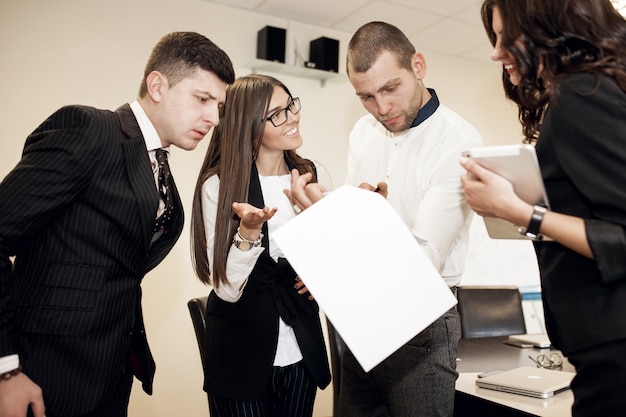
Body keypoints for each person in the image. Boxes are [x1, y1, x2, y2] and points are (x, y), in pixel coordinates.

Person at [0, 32, 234, 417]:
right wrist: (8, 370)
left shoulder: (159, 166)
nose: (213, 118)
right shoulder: (89, 129)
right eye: (203, 99)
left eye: (219, 105)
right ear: (157, 85)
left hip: (109, 373)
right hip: (44, 372)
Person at [289, 21, 483, 417]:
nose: (381, 108)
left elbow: (422, 261)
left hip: (422, 323)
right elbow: (349, 227)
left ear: (418, 66)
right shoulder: (364, 132)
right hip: (358, 316)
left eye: (390, 88)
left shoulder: (459, 142)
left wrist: (363, 229)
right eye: (366, 97)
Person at [460, 1, 626, 416]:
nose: (495, 52)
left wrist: (518, 211)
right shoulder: (601, 87)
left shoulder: (580, 94)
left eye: (505, 36)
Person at [190, 74, 332, 417]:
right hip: (239, 350)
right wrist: (248, 234)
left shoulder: (313, 176)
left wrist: (320, 277)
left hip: (301, 347)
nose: (292, 117)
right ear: (250, 126)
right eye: (277, 114)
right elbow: (226, 289)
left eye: (291, 105)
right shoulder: (219, 185)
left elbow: (337, 263)